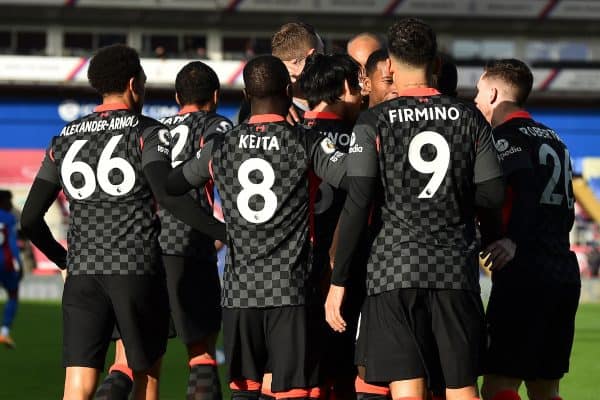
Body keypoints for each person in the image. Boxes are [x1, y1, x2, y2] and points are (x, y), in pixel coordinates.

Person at [20, 44, 226, 400]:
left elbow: (29, 220)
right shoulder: (148, 132)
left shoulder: (65, 137)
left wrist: (63, 259)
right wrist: (226, 232)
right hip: (135, 268)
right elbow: (167, 195)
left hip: (83, 272)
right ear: (134, 84)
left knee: (78, 385)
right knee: (144, 373)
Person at [325, 18, 505, 400]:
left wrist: (338, 280)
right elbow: (491, 195)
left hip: (394, 271)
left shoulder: (374, 121)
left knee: (407, 390)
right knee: (462, 389)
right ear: (437, 64)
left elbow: (358, 204)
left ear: (389, 65)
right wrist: (486, 234)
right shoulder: (469, 117)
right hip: (454, 271)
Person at [167, 55, 346, 400]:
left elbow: (173, 184)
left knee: (245, 392)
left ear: (247, 95)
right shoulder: (305, 141)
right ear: (289, 90)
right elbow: (355, 178)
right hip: (290, 291)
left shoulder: (220, 147)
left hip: (239, 295)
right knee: (291, 391)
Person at [95, 60, 233, 400]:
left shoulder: (153, 129)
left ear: (176, 97)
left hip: (144, 252)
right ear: (215, 96)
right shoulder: (219, 126)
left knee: (131, 364)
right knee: (201, 358)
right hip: (191, 248)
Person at [474, 59, 581, 400]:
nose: (476, 101)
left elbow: (526, 188)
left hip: (525, 275)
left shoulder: (504, 138)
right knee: (544, 387)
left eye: (478, 93)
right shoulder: (556, 139)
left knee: (498, 385)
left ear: (492, 93)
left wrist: (512, 238)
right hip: (562, 270)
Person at [298, 53, 362, 399]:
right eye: (360, 84)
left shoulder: (293, 131)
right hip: (343, 268)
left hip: (293, 270)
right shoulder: (358, 135)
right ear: (346, 87)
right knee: (345, 373)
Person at [0, 189, 21, 349]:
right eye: (8, 201)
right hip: (4, 263)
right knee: (13, 295)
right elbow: (12, 244)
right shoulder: (9, 218)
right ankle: (4, 332)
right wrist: (18, 264)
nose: (10, 204)